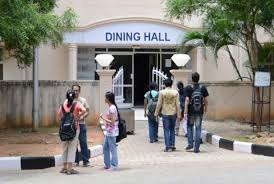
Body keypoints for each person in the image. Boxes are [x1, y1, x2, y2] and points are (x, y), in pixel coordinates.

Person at [58, 90, 86, 175]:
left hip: (63, 129)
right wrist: (78, 116)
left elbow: (59, 114)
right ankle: (70, 168)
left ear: (66, 96)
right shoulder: (77, 104)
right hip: (74, 128)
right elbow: (84, 110)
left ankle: (64, 167)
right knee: (72, 147)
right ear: (74, 97)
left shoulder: (63, 104)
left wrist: (64, 120)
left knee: (64, 148)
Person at [184, 72, 209, 153]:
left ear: (192, 78)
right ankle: (196, 148)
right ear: (199, 78)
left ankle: (190, 144)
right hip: (199, 111)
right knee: (198, 129)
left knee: (189, 127)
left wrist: (185, 112)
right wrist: (205, 109)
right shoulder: (203, 88)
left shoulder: (189, 87)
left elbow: (187, 100)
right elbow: (206, 100)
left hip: (191, 111)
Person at [154, 78, 181, 152]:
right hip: (173, 113)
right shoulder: (175, 92)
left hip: (165, 113)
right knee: (172, 129)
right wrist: (179, 114)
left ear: (165, 84)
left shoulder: (162, 92)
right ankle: (172, 145)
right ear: (171, 84)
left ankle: (168, 147)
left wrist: (156, 113)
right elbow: (177, 104)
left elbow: (159, 104)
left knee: (166, 130)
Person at [72, 84, 91, 167]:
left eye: (77, 90)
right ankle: (75, 161)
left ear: (79, 91)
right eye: (74, 90)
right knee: (73, 144)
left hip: (81, 124)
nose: (75, 92)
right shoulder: (69, 100)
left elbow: (87, 111)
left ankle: (86, 161)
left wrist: (82, 116)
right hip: (72, 125)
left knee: (83, 142)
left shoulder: (83, 100)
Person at [100, 91, 119, 170]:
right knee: (105, 147)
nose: (105, 99)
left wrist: (103, 118)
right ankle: (107, 164)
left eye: (106, 97)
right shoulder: (112, 107)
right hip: (109, 132)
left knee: (112, 148)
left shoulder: (112, 108)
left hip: (112, 132)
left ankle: (114, 165)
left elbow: (112, 122)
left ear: (108, 99)